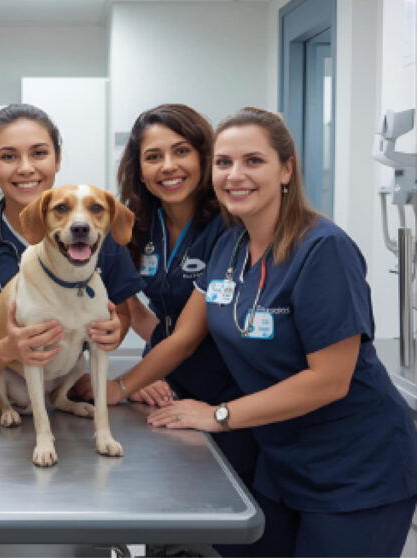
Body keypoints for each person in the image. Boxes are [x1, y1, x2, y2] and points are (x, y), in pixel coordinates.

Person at [141, 107, 417, 557]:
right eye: (225, 163)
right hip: (279, 460)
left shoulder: (324, 249)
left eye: (254, 161)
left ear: (286, 169)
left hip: (356, 468)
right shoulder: (227, 244)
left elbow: (329, 379)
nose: (235, 175)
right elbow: (184, 336)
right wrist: (117, 387)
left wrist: (219, 414)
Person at [74, 104, 257, 489]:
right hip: (165, 388)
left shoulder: (229, 227)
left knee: (225, 510)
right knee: (166, 501)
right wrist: (147, 375)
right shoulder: (134, 225)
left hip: (224, 390)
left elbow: (188, 336)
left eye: (181, 151)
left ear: (204, 156)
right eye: (153, 157)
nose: (168, 166)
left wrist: (121, 386)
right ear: (139, 168)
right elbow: (131, 307)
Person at [0, 103, 143, 387]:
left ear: (57, 159)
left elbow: (120, 315)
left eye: (39, 153)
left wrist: (113, 333)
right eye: (8, 156)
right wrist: (8, 348)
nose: (25, 168)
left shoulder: (93, 231)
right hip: (11, 388)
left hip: (68, 388)